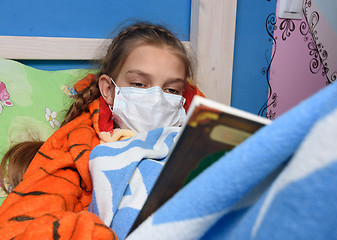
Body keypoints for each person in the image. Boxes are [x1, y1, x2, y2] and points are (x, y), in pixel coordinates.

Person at [0, 22, 204, 239]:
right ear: (108, 89)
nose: (156, 98)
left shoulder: (199, 140)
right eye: (139, 84)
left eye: (171, 89)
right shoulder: (80, 146)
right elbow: (24, 224)